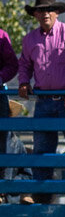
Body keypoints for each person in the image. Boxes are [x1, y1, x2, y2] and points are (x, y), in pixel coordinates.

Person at [17, 0, 65, 195]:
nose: (45, 13)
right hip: (44, 100)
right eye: (40, 10)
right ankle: (42, 194)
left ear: (56, 12)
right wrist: (23, 82)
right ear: (35, 14)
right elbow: (24, 64)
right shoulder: (30, 40)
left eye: (49, 9)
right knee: (41, 149)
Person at [0, 26, 19, 159]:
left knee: (3, 141)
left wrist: (0, 77)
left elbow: (12, 64)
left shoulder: (1, 36)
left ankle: (5, 177)